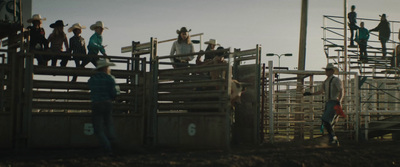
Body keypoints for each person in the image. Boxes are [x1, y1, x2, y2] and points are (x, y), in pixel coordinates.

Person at [303, 63, 343, 146]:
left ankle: (333, 138)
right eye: (326, 70)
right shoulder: (326, 81)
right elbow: (321, 91)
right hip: (329, 102)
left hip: (333, 102)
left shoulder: (335, 80)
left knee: (325, 120)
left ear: (332, 71)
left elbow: (341, 90)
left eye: (328, 70)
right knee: (327, 121)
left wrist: (340, 100)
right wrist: (311, 94)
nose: (326, 72)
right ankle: (333, 138)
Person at [88, 58, 120, 154]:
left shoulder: (92, 79)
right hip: (107, 103)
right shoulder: (110, 78)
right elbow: (114, 93)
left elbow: (91, 88)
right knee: (109, 123)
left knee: (98, 128)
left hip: (96, 103)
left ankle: (107, 146)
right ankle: (113, 142)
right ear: (106, 68)